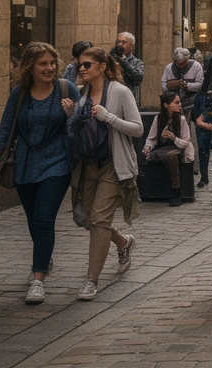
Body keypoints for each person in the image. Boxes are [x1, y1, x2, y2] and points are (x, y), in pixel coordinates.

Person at [0, 42, 80, 304]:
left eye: (52, 63)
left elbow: (82, 122)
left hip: (57, 161)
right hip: (26, 163)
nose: (49, 68)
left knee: (43, 218)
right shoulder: (19, 94)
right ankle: (44, 256)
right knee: (33, 219)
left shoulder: (66, 88)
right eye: (43, 64)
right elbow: (6, 129)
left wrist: (72, 113)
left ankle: (37, 279)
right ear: (30, 67)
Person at [66, 46, 144, 302]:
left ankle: (91, 280)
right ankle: (123, 242)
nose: (82, 68)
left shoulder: (120, 92)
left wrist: (108, 117)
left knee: (99, 220)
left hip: (113, 164)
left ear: (102, 66)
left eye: (87, 64)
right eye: (80, 64)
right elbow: (76, 132)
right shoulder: (80, 95)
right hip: (89, 165)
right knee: (91, 220)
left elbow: (137, 129)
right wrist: (70, 115)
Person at [143, 91, 195, 207]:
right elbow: (151, 138)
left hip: (177, 149)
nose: (179, 105)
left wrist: (173, 138)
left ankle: (176, 190)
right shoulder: (158, 118)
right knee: (153, 156)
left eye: (179, 102)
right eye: (176, 102)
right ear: (166, 105)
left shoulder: (181, 120)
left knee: (171, 156)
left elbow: (186, 142)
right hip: (162, 149)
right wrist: (147, 148)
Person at [161, 47, 204, 120]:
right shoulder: (169, 67)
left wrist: (187, 85)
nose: (179, 65)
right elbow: (163, 84)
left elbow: (200, 85)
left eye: (182, 63)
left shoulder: (196, 66)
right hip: (173, 106)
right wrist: (168, 86)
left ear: (187, 59)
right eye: (177, 63)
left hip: (191, 105)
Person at [113, 32, 145, 104]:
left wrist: (124, 62)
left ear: (131, 46)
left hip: (129, 101)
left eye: (124, 42)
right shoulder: (111, 60)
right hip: (113, 99)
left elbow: (138, 78)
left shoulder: (137, 62)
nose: (120, 45)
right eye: (118, 42)